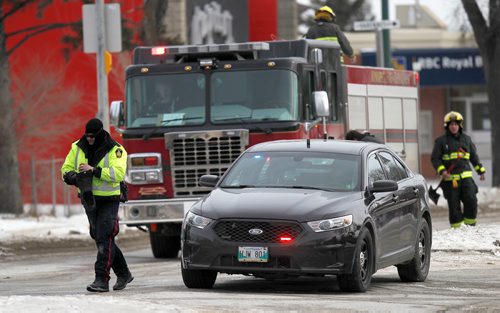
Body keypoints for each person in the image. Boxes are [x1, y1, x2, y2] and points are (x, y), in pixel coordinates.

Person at [61, 118, 133, 292]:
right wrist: (74, 177)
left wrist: (94, 170)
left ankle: (101, 279)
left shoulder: (115, 150)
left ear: (100, 134)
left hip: (110, 199)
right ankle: (123, 273)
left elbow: (117, 174)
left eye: (93, 136)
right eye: (88, 136)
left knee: (105, 235)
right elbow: (66, 168)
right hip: (89, 198)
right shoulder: (77, 147)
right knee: (99, 235)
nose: (90, 139)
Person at [431, 111, 486, 228]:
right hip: (451, 181)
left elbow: (473, 157)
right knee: (454, 207)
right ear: (447, 126)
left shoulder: (467, 139)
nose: (454, 126)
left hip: (466, 178)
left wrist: (480, 170)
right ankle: (457, 231)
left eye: (456, 124)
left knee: (471, 200)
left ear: (460, 125)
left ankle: (470, 227)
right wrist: (442, 171)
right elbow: (435, 158)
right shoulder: (441, 141)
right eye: (451, 124)